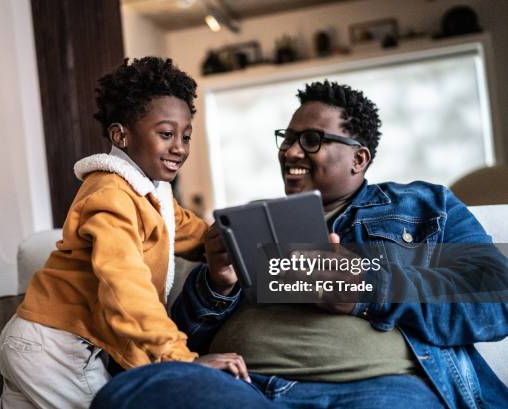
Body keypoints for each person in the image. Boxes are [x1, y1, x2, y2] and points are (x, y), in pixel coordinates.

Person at [91, 80, 508, 409]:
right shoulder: (254, 218)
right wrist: (217, 283)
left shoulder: (423, 206)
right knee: (131, 392)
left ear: (358, 159)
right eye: (287, 138)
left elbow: (494, 296)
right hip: (246, 389)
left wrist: (365, 287)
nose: (290, 151)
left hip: (378, 390)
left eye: (311, 140)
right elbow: (186, 337)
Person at [0, 57, 249, 409]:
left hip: (35, 340)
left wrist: (241, 242)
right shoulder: (112, 196)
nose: (179, 146)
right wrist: (182, 360)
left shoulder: (153, 194)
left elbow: (193, 233)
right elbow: (125, 285)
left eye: (186, 135)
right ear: (121, 135)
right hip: (55, 347)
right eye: (165, 134)